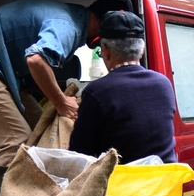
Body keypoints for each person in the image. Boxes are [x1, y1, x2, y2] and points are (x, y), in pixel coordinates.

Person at [0, 0, 127, 167]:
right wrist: (62, 102)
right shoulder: (67, 26)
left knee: (42, 129)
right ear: (102, 23)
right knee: (16, 141)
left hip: (6, 72)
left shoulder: (73, 20)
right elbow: (36, 60)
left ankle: (39, 191)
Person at [69, 10, 176, 163]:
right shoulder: (163, 83)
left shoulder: (97, 91)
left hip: (121, 184)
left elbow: (79, 152)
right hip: (163, 183)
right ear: (142, 50)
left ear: (105, 51)